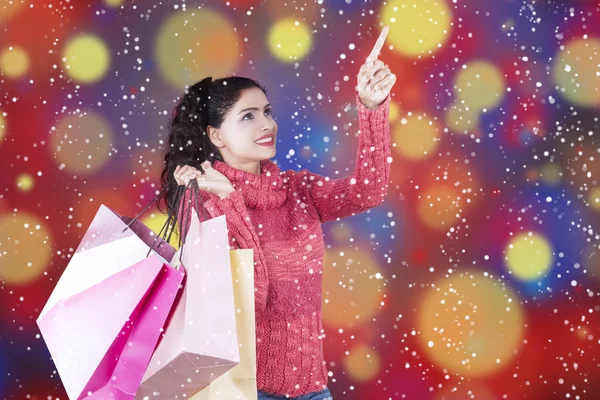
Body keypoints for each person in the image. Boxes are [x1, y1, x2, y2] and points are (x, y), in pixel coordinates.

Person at [157, 26, 396, 400]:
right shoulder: (203, 202)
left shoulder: (298, 190)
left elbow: (368, 191)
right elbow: (252, 296)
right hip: (243, 391)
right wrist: (231, 202)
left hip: (312, 389)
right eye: (248, 117)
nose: (267, 124)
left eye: (266, 112)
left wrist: (371, 108)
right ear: (216, 136)